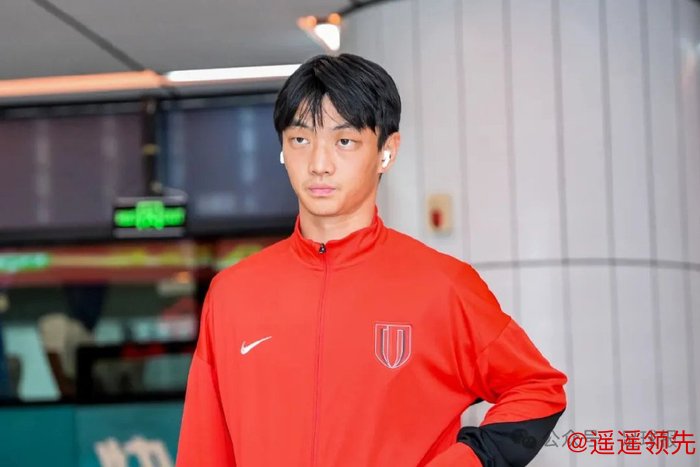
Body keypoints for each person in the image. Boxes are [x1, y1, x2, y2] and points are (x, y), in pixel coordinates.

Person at [176, 54, 567, 467]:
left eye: (344, 141)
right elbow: (204, 446)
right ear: (283, 150)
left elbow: (537, 389)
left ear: (387, 151)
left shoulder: (443, 285)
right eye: (300, 140)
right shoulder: (233, 293)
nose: (319, 165)